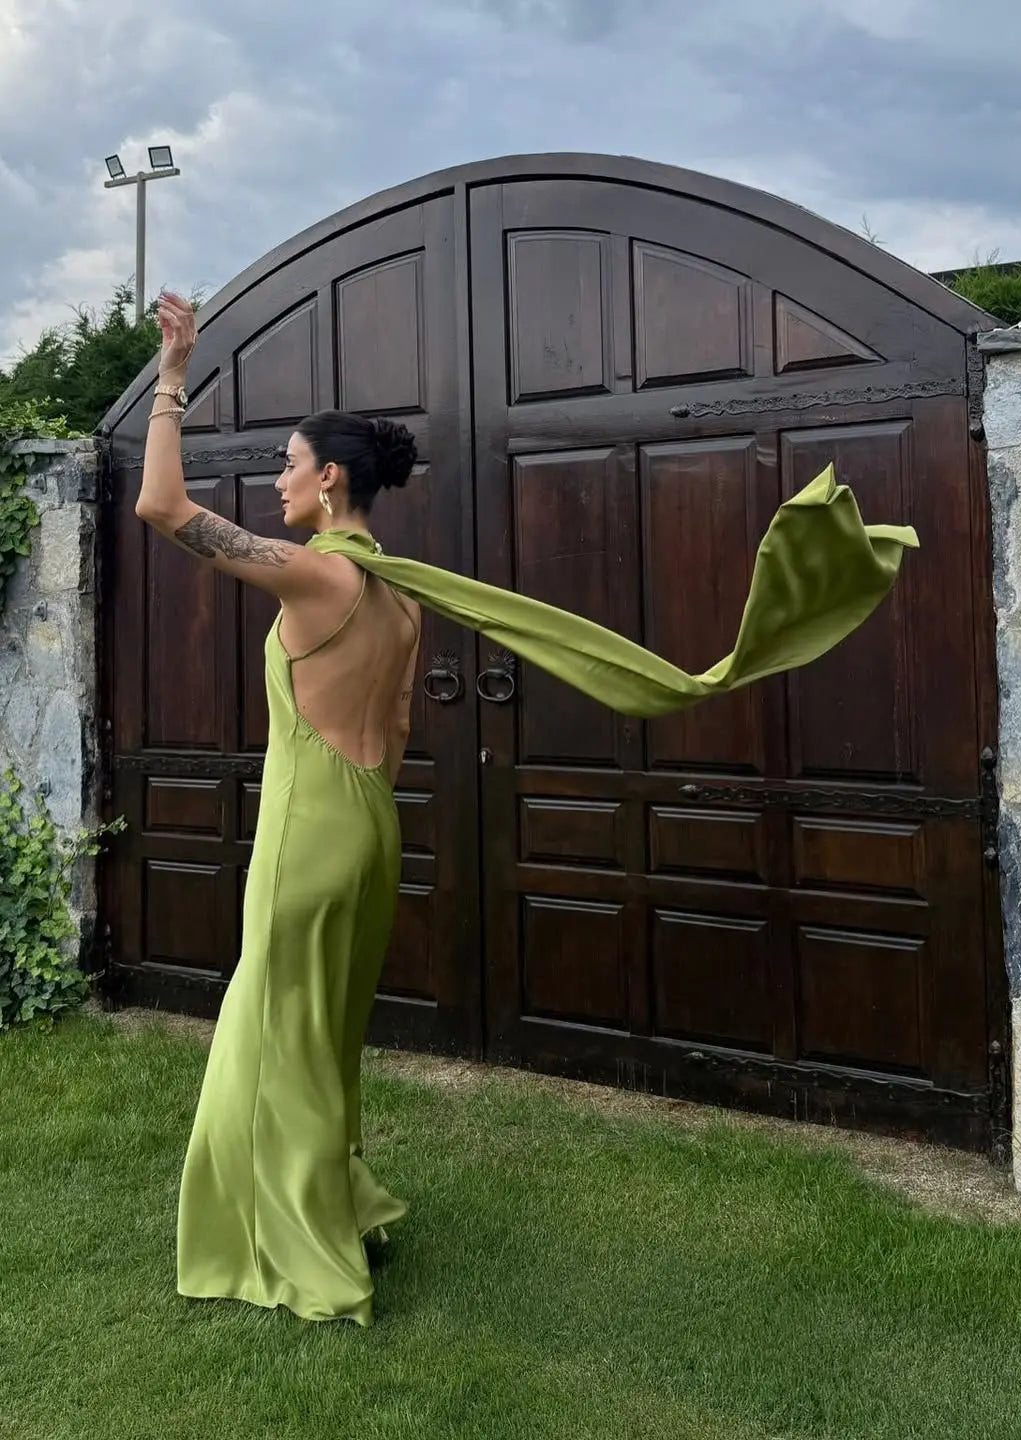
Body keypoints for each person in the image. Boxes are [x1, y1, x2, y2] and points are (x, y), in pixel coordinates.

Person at [138, 293, 918, 1328]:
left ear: (330, 480)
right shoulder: (403, 599)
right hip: (372, 828)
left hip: (305, 832)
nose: (277, 480)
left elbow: (159, 508)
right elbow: (400, 727)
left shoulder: (317, 579)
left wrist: (174, 375)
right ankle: (329, 1202)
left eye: (287, 463)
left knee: (270, 1033)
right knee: (321, 1036)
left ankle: (294, 1244)